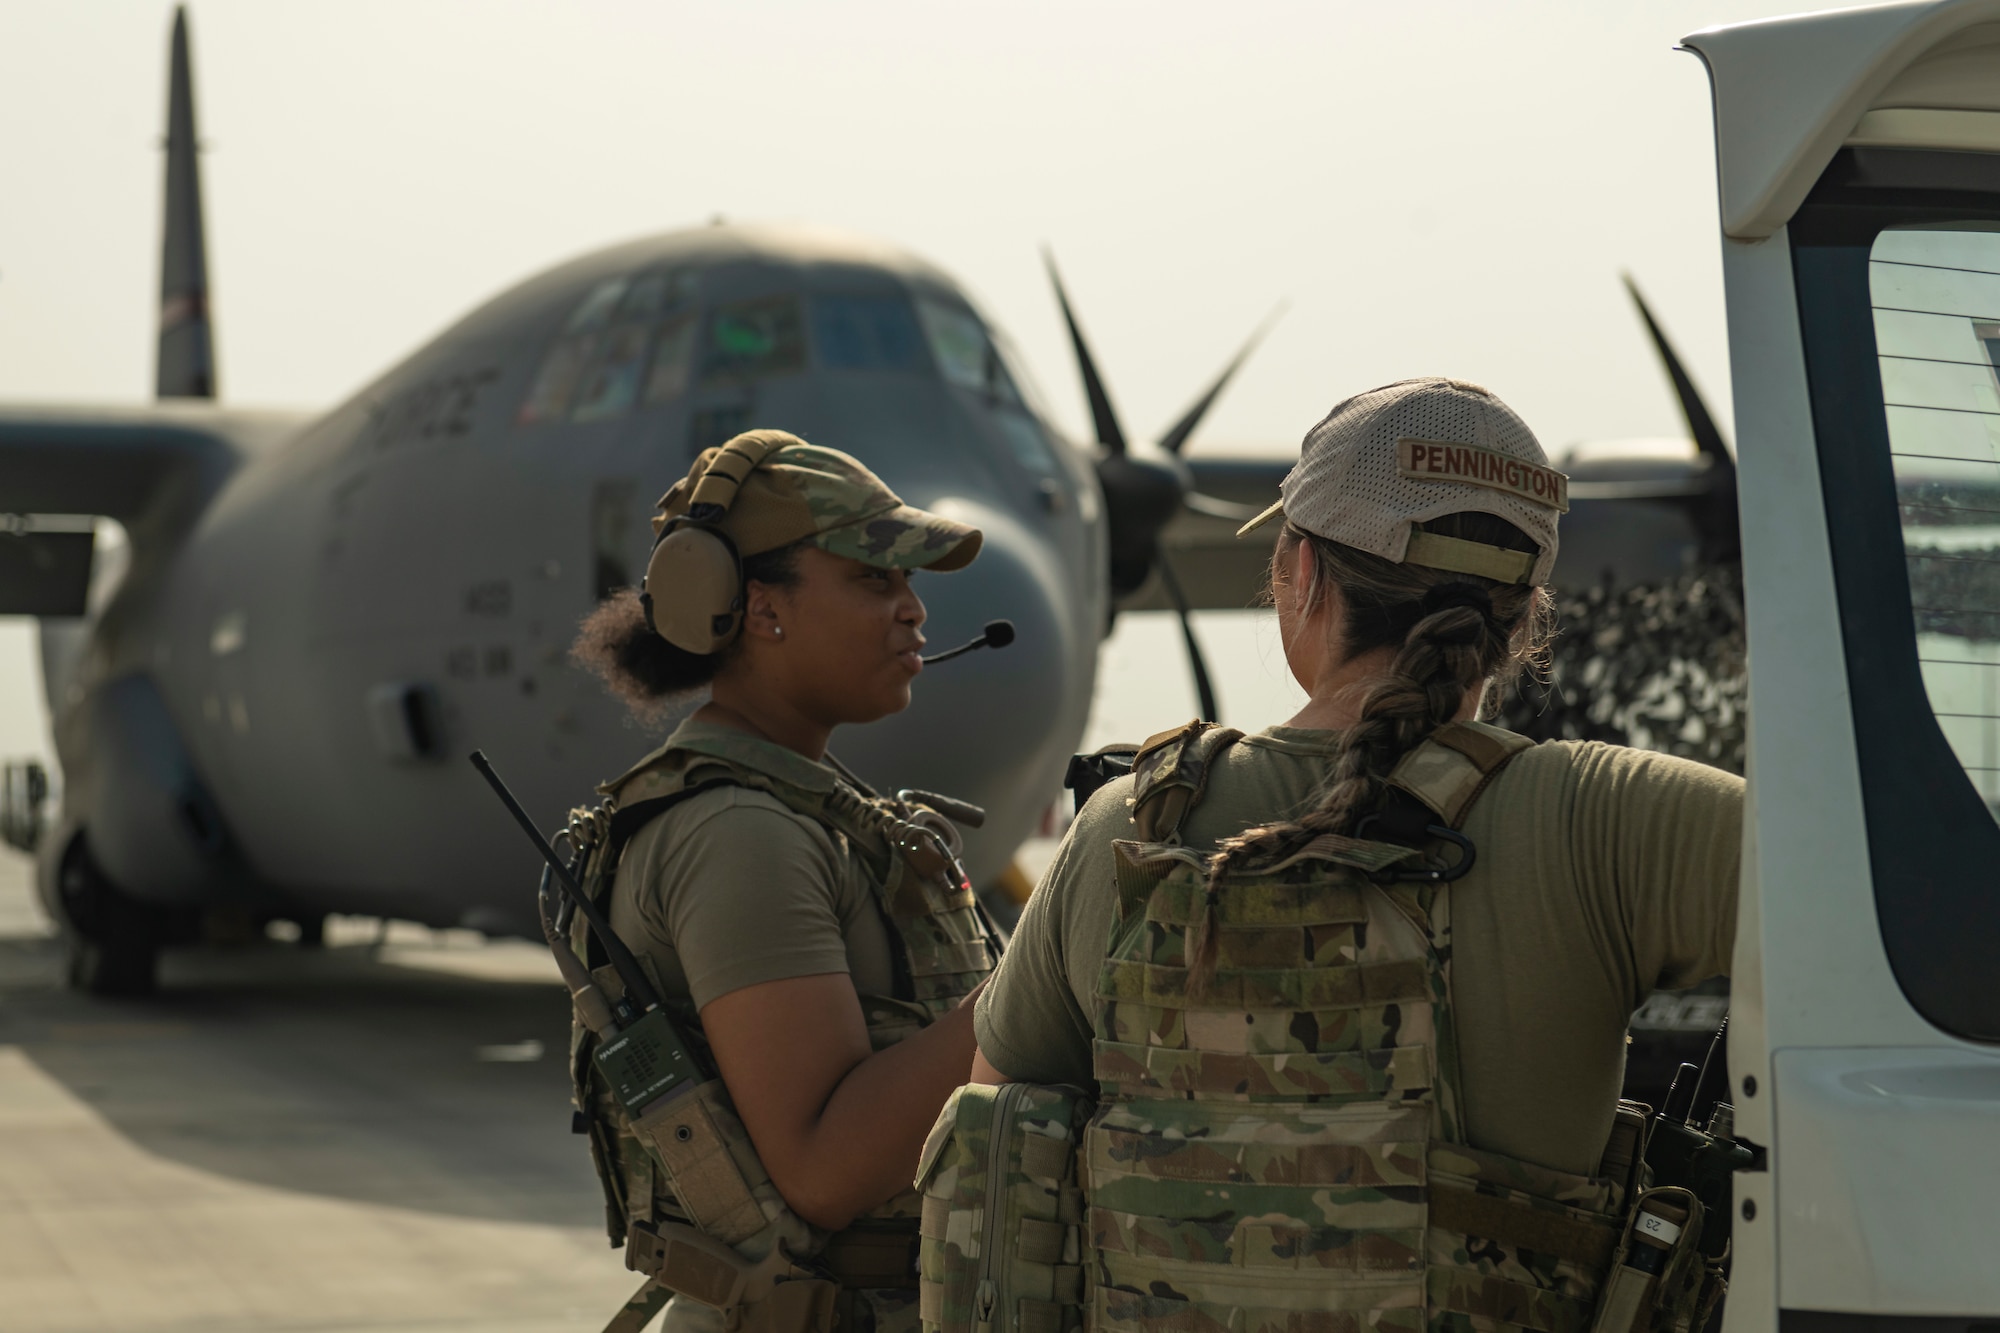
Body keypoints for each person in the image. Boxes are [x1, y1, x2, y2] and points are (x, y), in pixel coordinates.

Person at [970, 379, 1744, 1333]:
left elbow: (995, 1161)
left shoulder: (1134, 823)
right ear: (1525, 613)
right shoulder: (1618, 818)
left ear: (1301, 572)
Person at [565, 430, 996, 1333]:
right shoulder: (740, 833)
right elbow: (822, 1168)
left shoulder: (804, 808)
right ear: (761, 609)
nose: (913, 611)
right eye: (874, 579)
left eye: (909, 583)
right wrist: (1041, 981)